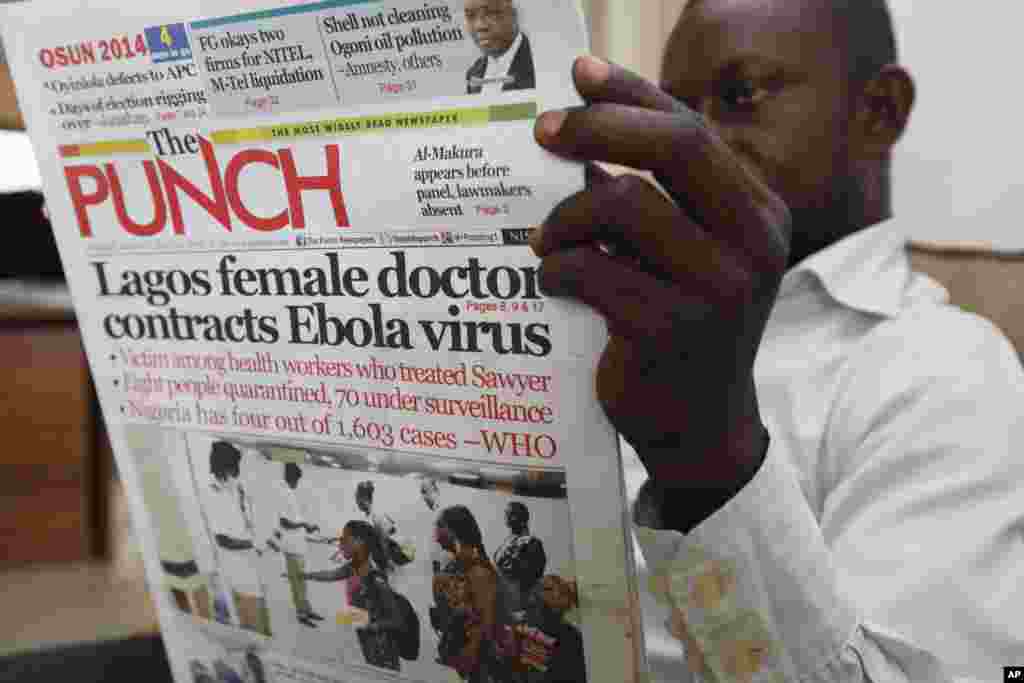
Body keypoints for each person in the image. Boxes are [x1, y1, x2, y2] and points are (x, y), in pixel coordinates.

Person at [529, 0, 1024, 680]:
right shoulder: (623, 308)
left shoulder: (950, 371)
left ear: (879, 110)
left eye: (740, 96)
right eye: (679, 112)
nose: (697, 144)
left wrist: (709, 457)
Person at [303, 520, 404, 672]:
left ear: (359, 542)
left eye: (344, 539)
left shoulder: (374, 575)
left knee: (382, 674)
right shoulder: (354, 566)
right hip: (366, 633)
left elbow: (396, 619)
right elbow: (331, 575)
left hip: (381, 643)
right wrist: (303, 575)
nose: (340, 543)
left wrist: (373, 625)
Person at [206, 441, 271, 637]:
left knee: (258, 623)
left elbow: (244, 523)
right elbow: (223, 539)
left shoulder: (234, 489)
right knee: (255, 629)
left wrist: (243, 503)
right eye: (235, 468)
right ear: (225, 468)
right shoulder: (213, 494)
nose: (238, 473)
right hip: (236, 572)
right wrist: (253, 543)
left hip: (248, 567)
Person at [431, 505, 500, 682]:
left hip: (477, 666)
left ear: (454, 530)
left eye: (439, 525)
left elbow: (487, 624)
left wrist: (467, 658)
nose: (435, 532)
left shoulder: (478, 570)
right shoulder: (454, 567)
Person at [267, 463, 322, 627]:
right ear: (291, 477)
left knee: (302, 581)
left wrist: (305, 527)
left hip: (298, 545)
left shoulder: (290, 493)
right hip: (291, 547)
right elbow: (284, 522)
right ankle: (301, 614)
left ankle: (307, 609)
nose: (298, 482)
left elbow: (294, 520)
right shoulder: (284, 493)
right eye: (297, 479)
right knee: (297, 582)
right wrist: (305, 525)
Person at [464, 0, 535, 94]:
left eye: (491, 13)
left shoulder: (540, 63)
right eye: (470, 16)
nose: (480, 26)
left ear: (514, 14)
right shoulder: (473, 73)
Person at [493, 501, 547, 613]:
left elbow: (534, 575)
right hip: (501, 599)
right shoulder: (505, 542)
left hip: (519, 603)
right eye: (506, 513)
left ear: (523, 519)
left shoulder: (532, 543)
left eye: (511, 514)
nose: (506, 517)